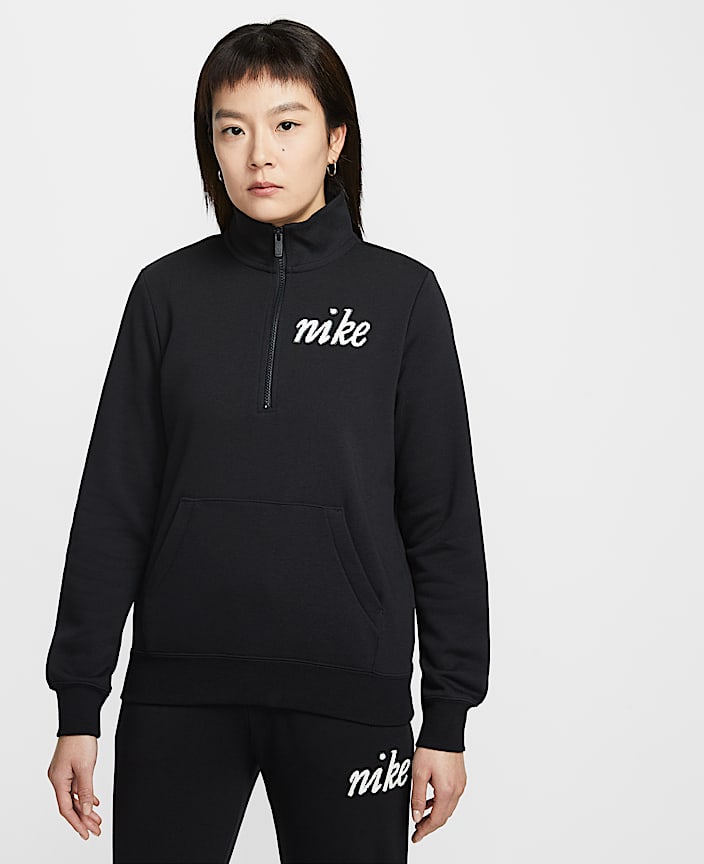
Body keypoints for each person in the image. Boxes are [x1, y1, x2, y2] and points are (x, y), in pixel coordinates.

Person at [45, 18, 490, 864]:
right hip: (179, 694)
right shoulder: (166, 295)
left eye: (287, 124)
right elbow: (113, 505)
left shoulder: (402, 299)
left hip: (352, 700)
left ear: (335, 139)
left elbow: (441, 517)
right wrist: (78, 703)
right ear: (210, 145)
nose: (259, 154)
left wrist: (448, 717)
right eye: (232, 129)